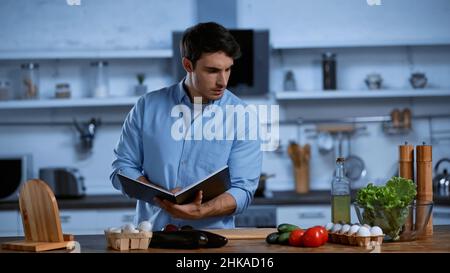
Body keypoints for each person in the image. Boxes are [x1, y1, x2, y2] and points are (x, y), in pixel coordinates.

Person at [110, 22, 262, 231]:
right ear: (188, 65)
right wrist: (159, 197)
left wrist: (202, 211)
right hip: (153, 238)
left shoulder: (243, 117)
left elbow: (243, 190)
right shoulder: (147, 106)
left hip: (213, 243)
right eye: (212, 70)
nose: (223, 81)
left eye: (228, 69)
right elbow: (122, 167)